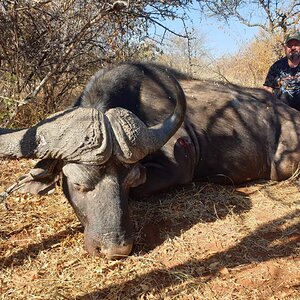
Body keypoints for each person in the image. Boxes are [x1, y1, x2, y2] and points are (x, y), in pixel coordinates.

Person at [263, 30, 300, 111]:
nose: (293, 48)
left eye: (296, 44)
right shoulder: (276, 66)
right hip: (281, 115)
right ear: (285, 48)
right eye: (290, 45)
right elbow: (268, 89)